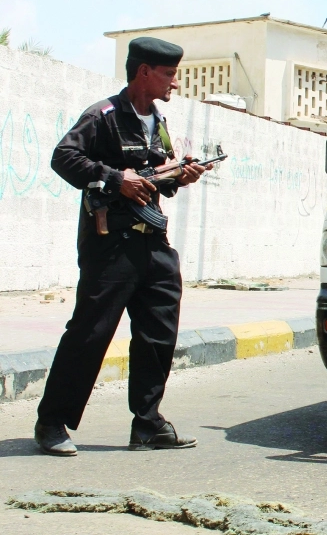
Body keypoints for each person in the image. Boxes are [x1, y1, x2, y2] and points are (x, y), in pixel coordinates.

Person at [33, 37, 213, 456]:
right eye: (168, 74)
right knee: (90, 334)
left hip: (154, 244)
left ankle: (148, 424)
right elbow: (64, 157)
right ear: (144, 72)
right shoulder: (104, 116)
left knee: (158, 335)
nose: (174, 82)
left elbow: (156, 179)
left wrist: (179, 176)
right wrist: (117, 179)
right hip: (111, 246)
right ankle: (52, 423)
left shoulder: (159, 122)